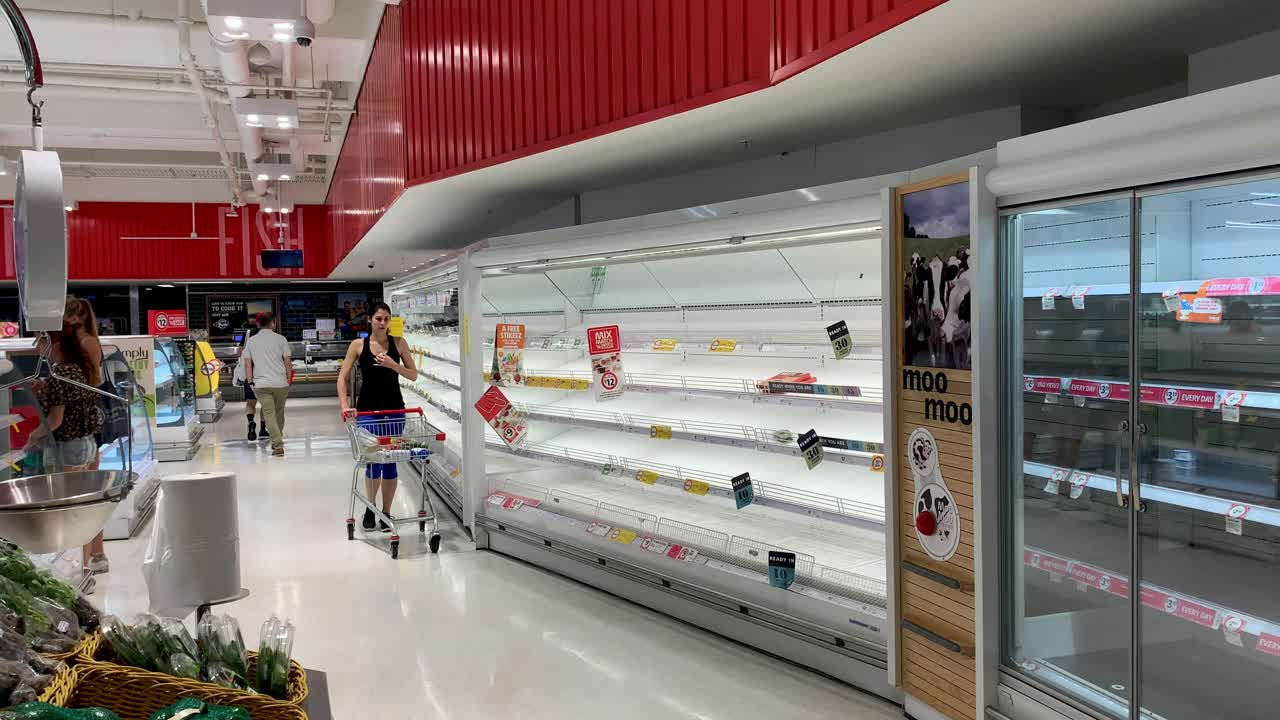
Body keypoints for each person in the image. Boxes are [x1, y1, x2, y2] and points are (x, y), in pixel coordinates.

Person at [31, 309, 105, 571]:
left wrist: (32, 437)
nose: (38, 347)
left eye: (40, 341)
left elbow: (55, 421)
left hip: (67, 448)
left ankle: (75, 569)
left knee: (70, 513)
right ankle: (86, 565)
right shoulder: (77, 369)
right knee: (83, 510)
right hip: (85, 444)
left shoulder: (60, 374)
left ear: (54, 343)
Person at [337, 303, 418, 531]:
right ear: (370, 320)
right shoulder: (358, 345)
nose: (382, 323)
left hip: (394, 411)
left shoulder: (399, 343)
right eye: (378, 318)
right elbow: (342, 378)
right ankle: (370, 508)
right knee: (373, 463)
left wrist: (394, 365)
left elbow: (413, 375)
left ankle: (386, 511)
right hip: (367, 412)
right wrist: (345, 405)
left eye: (386, 319)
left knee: (391, 464)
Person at [60, 297, 109, 574]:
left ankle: (87, 559)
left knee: (82, 497)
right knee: (92, 494)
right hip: (86, 427)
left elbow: (87, 385)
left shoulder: (82, 344)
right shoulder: (88, 341)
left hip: (76, 428)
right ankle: (96, 555)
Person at [242, 312, 293, 457]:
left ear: (257, 324)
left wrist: (251, 381)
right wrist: (288, 379)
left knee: (269, 414)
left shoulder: (251, 341)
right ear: (273, 323)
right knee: (279, 413)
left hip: (261, 383)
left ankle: (277, 443)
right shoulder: (281, 339)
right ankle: (278, 442)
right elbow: (287, 361)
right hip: (280, 382)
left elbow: (247, 363)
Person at [238, 320, 266, 442]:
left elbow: (241, 353)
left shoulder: (247, 334)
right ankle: (263, 429)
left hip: (249, 374)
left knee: (250, 403)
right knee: (265, 403)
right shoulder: (268, 336)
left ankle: (251, 422)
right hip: (264, 374)